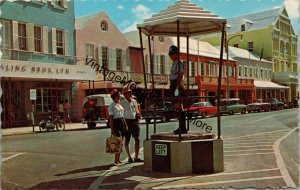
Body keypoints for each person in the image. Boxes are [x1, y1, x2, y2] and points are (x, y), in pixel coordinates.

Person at [120, 87, 143, 163]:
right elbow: (122, 114)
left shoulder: (134, 101)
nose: (130, 93)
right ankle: (129, 157)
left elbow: (136, 111)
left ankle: (136, 157)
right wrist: (124, 124)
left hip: (134, 121)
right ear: (124, 94)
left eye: (130, 92)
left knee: (138, 139)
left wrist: (138, 116)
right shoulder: (122, 102)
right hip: (127, 121)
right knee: (127, 139)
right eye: (128, 92)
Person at [168, 45, 187, 134]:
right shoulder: (175, 63)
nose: (171, 56)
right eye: (170, 54)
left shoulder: (179, 63)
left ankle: (182, 128)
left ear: (177, 54)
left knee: (179, 107)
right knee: (178, 107)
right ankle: (181, 127)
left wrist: (177, 88)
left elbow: (180, 75)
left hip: (177, 84)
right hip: (174, 84)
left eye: (173, 54)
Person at [108, 89, 127, 166]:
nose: (120, 96)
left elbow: (122, 116)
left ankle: (118, 159)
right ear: (115, 96)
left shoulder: (119, 104)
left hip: (121, 122)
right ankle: (115, 160)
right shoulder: (112, 106)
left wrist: (125, 124)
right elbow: (111, 119)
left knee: (121, 142)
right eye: (118, 95)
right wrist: (112, 129)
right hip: (116, 123)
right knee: (118, 142)